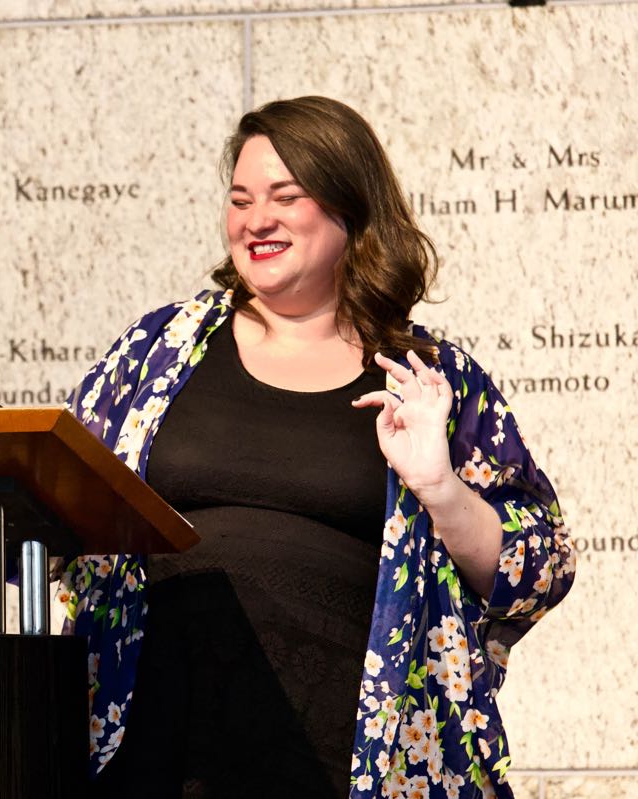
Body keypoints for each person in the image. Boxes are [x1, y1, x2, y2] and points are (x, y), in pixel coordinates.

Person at [58, 97, 575, 798]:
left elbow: (540, 568)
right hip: (155, 741)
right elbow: (56, 496)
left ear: (350, 210)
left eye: (285, 197)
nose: (255, 220)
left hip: (345, 758)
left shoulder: (427, 379)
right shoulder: (159, 350)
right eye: (240, 199)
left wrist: (441, 490)